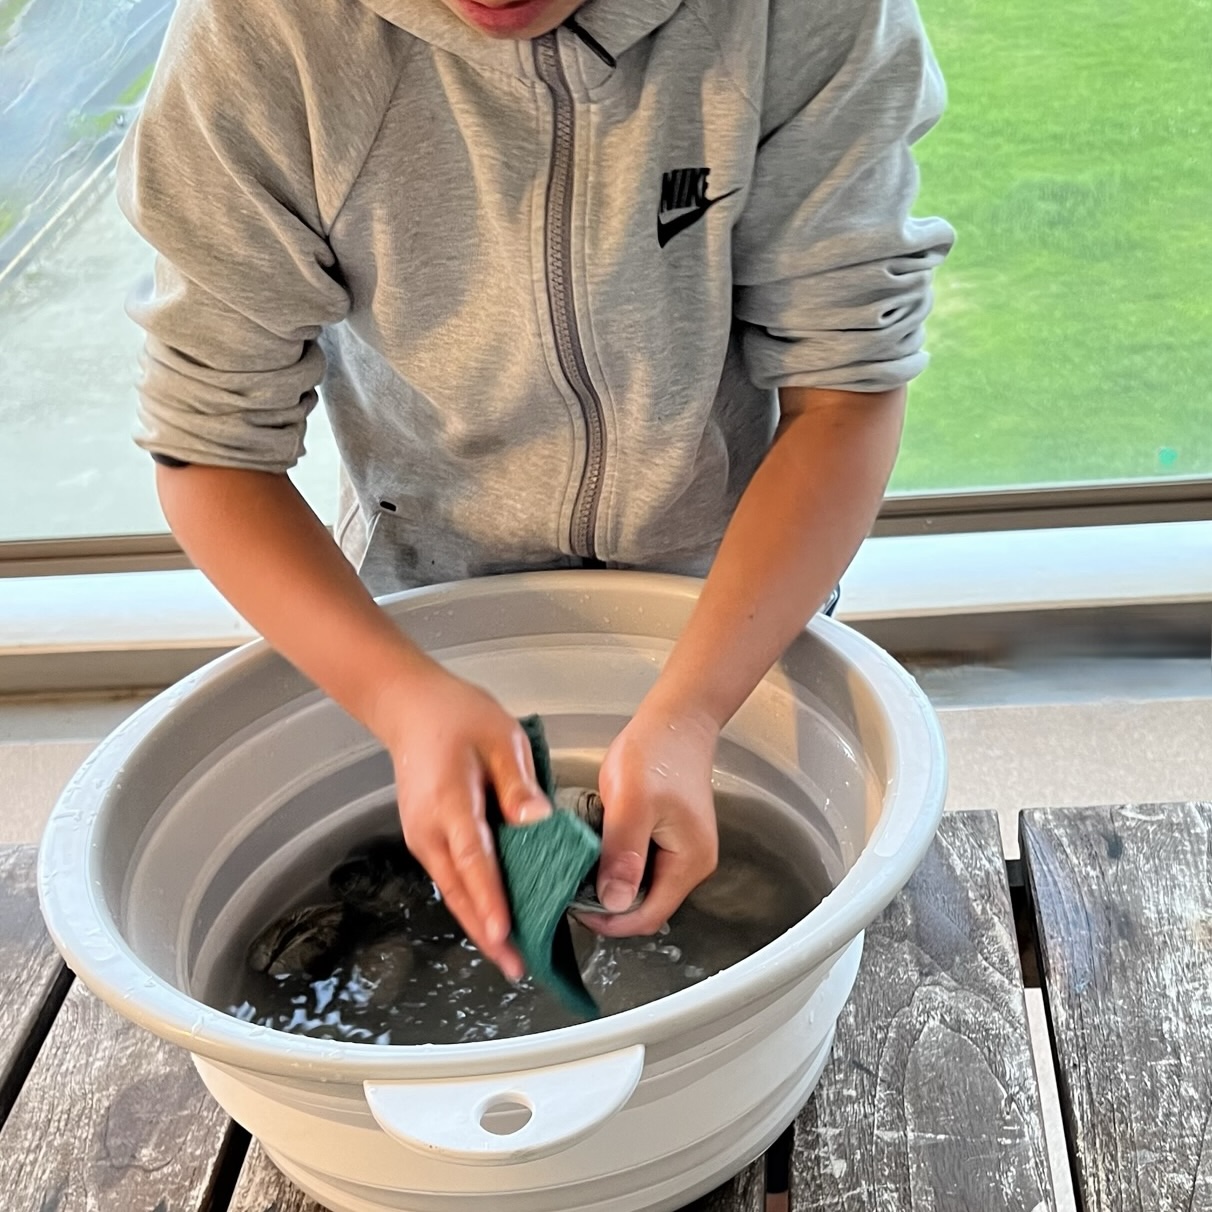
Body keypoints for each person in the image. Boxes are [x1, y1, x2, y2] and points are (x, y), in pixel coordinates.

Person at [117, 0, 954, 982]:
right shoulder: (260, 33)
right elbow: (209, 452)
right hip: (422, 602)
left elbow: (843, 393)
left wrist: (694, 708)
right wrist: (400, 698)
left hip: (732, 598)